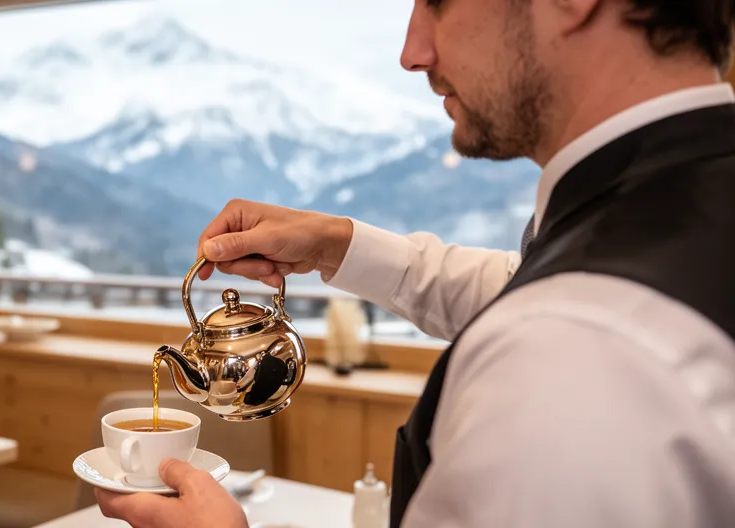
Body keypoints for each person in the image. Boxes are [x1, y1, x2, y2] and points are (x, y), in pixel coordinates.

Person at [95, 0, 735, 526]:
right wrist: (336, 244)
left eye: (437, 2)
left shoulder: (573, 350)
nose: (412, 52)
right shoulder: (677, 212)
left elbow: (555, 317)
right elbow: (522, 290)